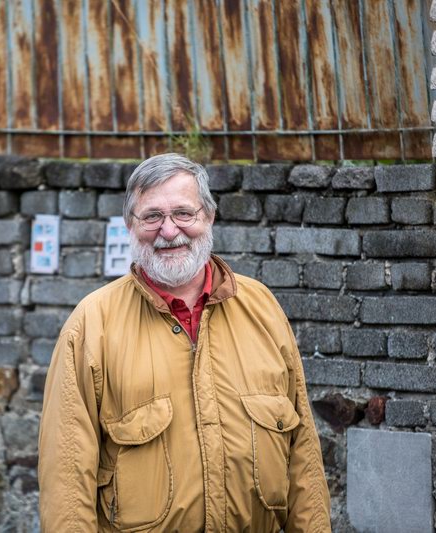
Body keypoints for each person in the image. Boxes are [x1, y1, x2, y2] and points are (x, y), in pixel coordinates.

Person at [38, 153, 331, 532]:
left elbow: (303, 456)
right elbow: (66, 476)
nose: (169, 230)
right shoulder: (92, 325)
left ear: (209, 216)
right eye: (152, 216)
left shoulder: (262, 308)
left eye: (183, 213)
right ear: (130, 225)